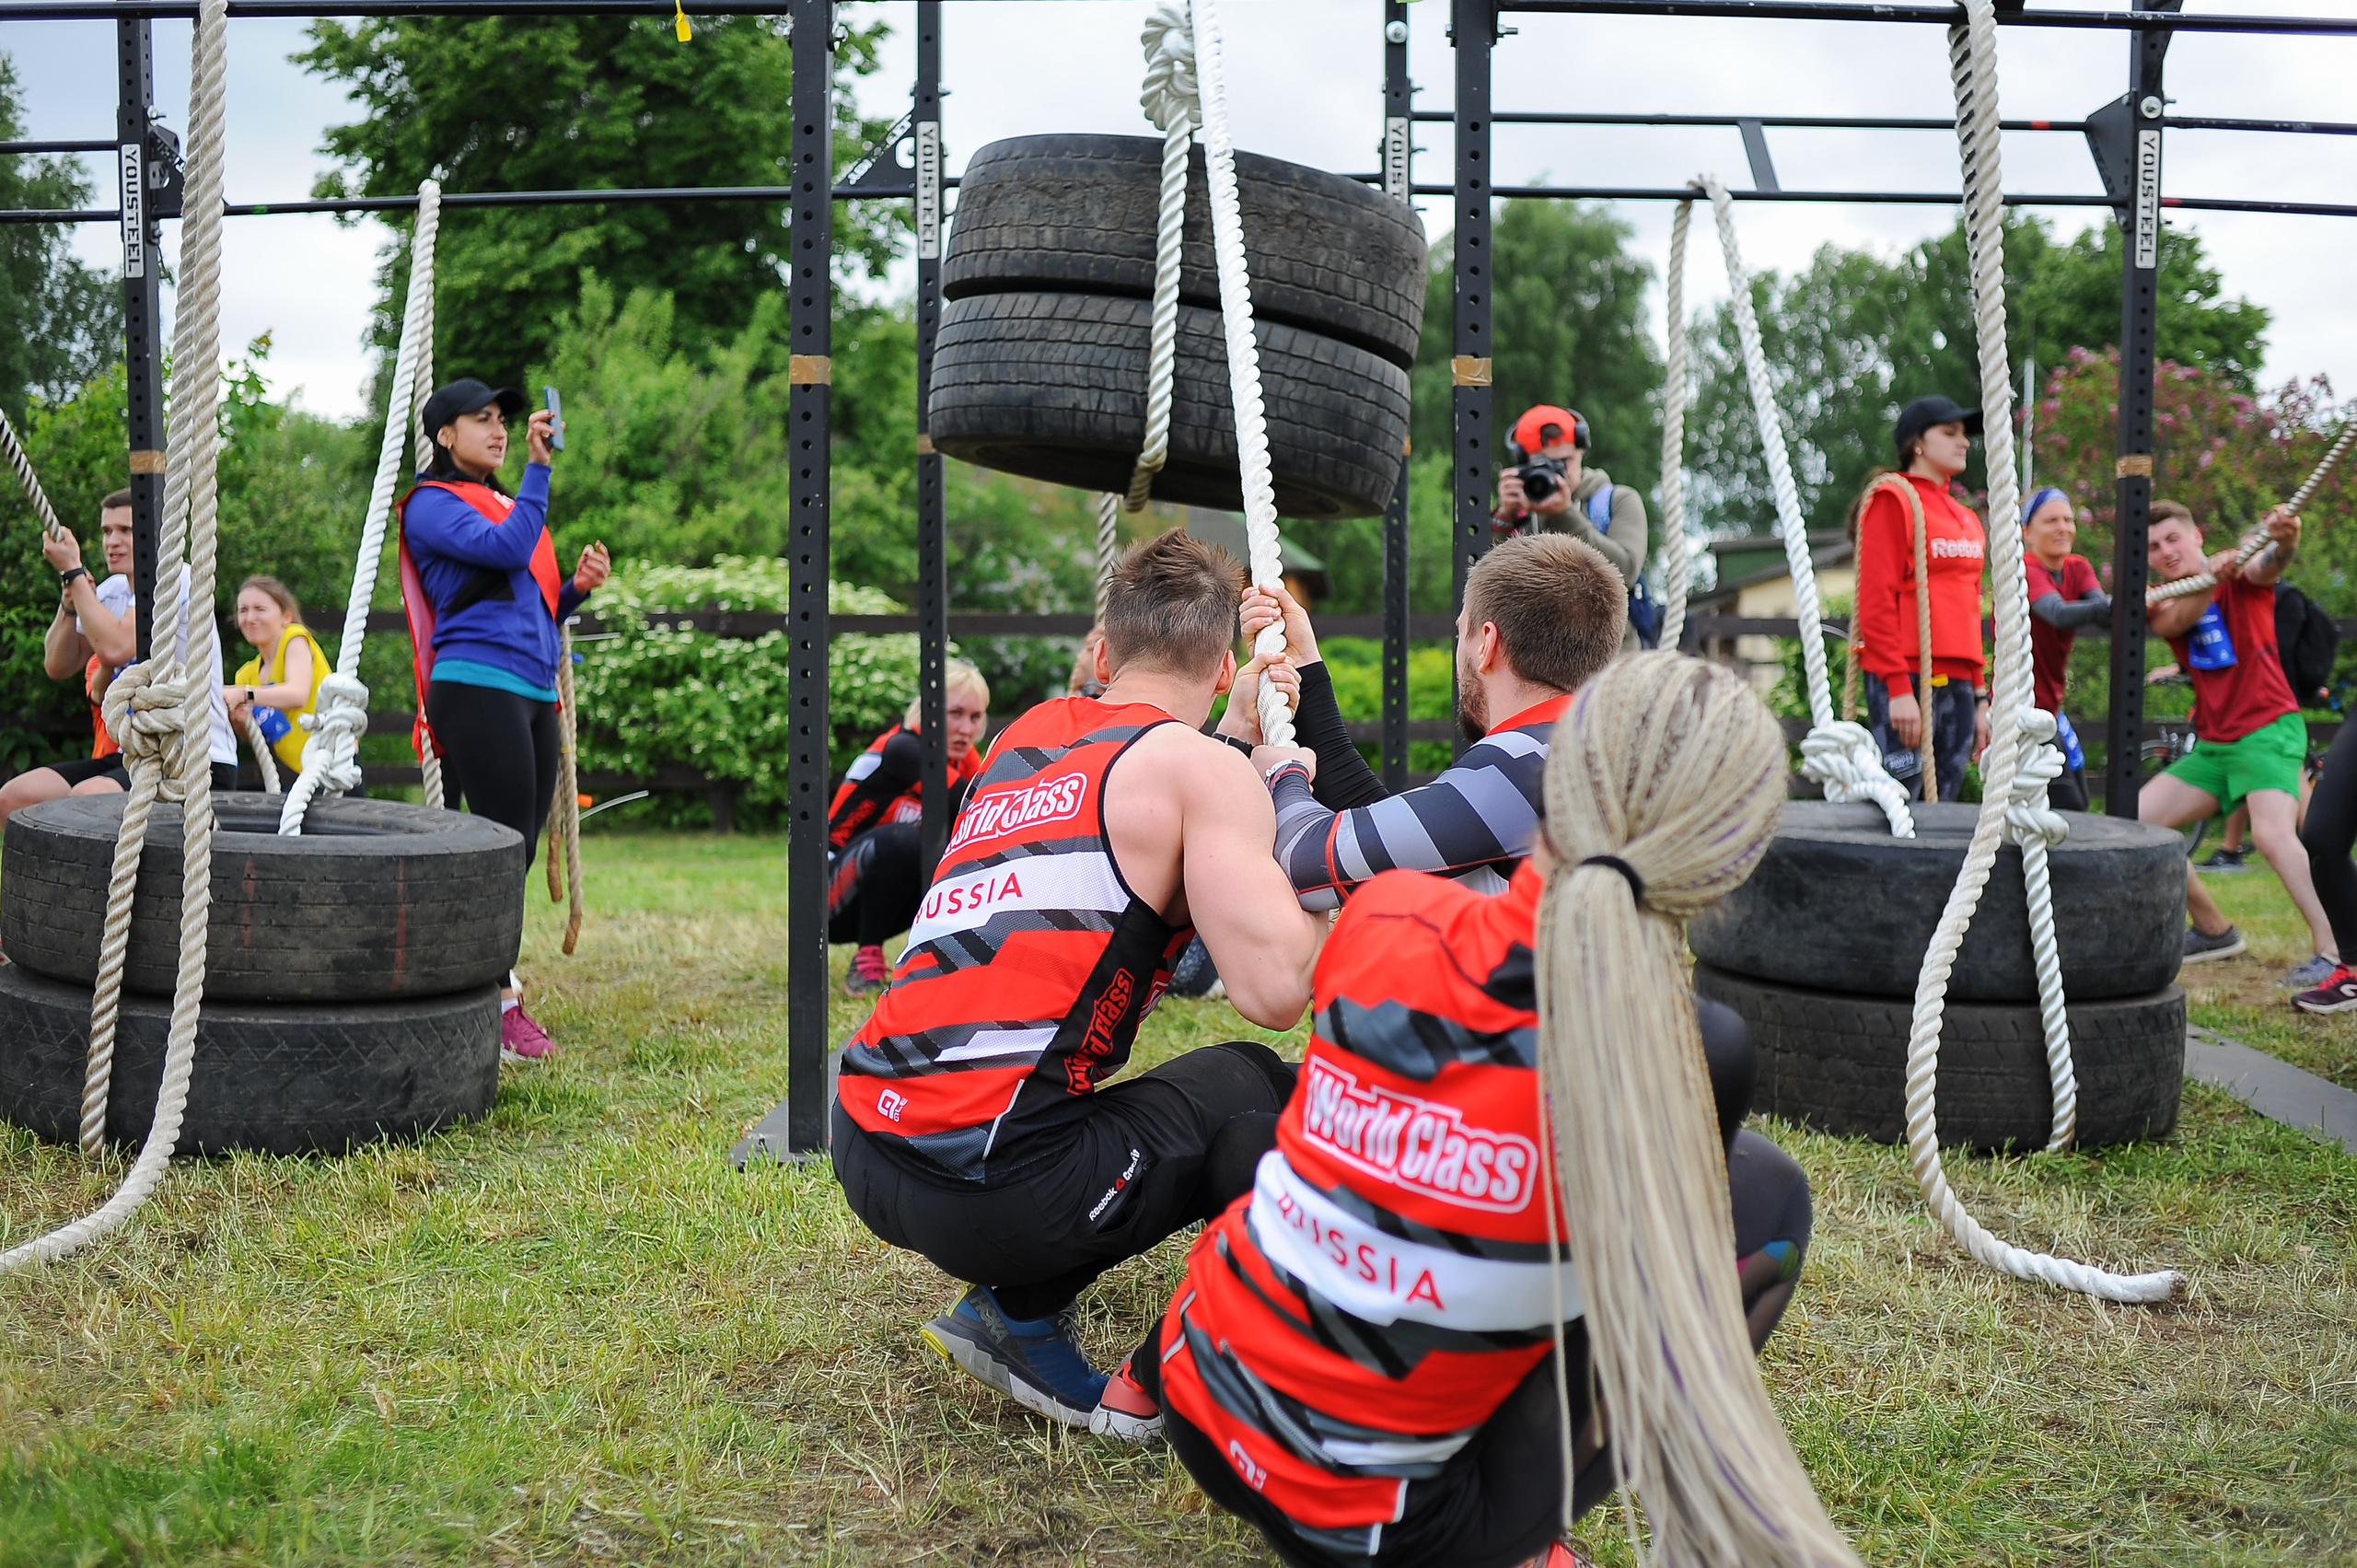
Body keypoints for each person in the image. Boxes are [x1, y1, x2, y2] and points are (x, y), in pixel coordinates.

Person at [1106, 654, 1826, 1568]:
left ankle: (1161, 1372)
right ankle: (1511, 1537)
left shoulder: (1391, 912)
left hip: (1199, 1396)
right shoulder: (1694, 1045)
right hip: (1372, 1529)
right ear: (1729, 864)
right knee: (1763, 1195)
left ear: (1550, 783)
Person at [831, 529, 1327, 1431]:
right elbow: (1277, 987)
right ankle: (1039, 1316)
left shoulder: (1025, 737)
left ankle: (1019, 1297)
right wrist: (1288, 793)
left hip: (861, 1141)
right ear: (1222, 670)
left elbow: (1144, 777)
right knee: (1257, 1081)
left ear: (1101, 654)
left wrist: (1238, 739)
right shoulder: (1206, 772)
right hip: (988, 1194)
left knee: (1199, 1075)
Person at [1222, 533, 1627, 907]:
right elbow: (1399, 843)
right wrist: (1306, 666)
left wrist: (1282, 773)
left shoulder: (1522, 765)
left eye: (1461, 634)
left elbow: (1306, 866)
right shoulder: (1581, 752)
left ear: (1486, 643)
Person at [398, 378, 611, 1061]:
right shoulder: (431, 504)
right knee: (504, 847)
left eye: (502, 419)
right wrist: (539, 470)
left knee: (512, 850)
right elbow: (505, 552)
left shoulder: (502, 502)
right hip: (476, 683)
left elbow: (531, 603)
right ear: (444, 436)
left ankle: (480, 985)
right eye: (481, 419)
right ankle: (495, 1000)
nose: (497, 430)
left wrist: (574, 589)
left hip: (530, 687)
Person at [2138, 500, 2335, 984]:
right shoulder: (2164, 599)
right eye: (2153, 546)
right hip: (2215, 745)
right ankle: (2213, 931)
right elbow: (2175, 621)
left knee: (2271, 835)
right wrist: (2211, 579)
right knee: (2134, 823)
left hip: (2268, 727)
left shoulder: (2240, 571)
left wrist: (2284, 538)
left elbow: (2271, 564)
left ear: (2196, 535)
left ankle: (2335, 953)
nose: (2165, 551)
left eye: (2173, 538)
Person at [0, 488, 237, 822]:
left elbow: (116, 647)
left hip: (195, 754)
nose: (112, 541)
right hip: (134, 754)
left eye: (125, 530)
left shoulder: (176, 579)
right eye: (106, 531)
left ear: (152, 535)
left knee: (86, 800)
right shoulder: (111, 590)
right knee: (15, 796)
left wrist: (73, 570)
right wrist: (69, 604)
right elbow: (57, 664)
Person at [1850, 396, 1991, 803]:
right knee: (1901, 799)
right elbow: (1875, 600)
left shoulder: (1964, 516)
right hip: (1906, 677)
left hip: (1959, 681)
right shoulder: (1892, 499)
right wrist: (1897, 689)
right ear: (1917, 443)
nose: (1963, 442)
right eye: (1949, 433)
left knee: (1944, 799)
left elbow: (1968, 607)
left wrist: (1981, 697)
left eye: (1964, 435)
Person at [827, 658, 991, 994]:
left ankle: (947, 962)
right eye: (955, 713)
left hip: (890, 899)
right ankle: (866, 961)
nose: (966, 728)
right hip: (826, 898)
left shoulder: (963, 760)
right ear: (928, 712)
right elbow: (976, 802)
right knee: (903, 840)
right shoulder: (902, 748)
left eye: (975, 717)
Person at [1492, 404, 1652, 651]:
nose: (1557, 473)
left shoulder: (1617, 501)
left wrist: (1565, 514)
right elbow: (1489, 587)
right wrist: (1504, 518)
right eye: (1543, 465)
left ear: (1580, 454)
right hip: (1539, 664)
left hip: (1610, 666)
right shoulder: (1522, 514)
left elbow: (1625, 573)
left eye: (1565, 461)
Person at [2020, 486, 2107, 811]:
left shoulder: (2078, 567)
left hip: (2052, 709)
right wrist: (2114, 604)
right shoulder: (2024, 569)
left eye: (2068, 520)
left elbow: (2105, 616)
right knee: (2066, 802)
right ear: (2027, 532)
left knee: (2080, 802)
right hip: (2021, 708)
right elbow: (2057, 614)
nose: (2063, 528)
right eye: (2051, 521)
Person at [226, 575, 328, 779]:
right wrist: (239, 723)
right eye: (243, 611)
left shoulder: (295, 638)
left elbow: (297, 694)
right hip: (293, 771)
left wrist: (243, 694)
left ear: (286, 617)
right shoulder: (246, 675)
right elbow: (258, 734)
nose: (250, 618)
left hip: (329, 761)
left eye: (260, 609)